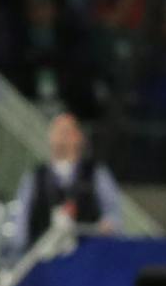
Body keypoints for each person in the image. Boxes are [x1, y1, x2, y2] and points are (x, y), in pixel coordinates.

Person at [9, 111, 124, 258]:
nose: (61, 137)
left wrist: (108, 227)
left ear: (78, 137)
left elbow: (114, 216)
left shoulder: (97, 174)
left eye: (66, 131)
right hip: (44, 258)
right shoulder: (34, 177)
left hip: (87, 258)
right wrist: (21, 253)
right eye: (57, 131)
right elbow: (21, 222)